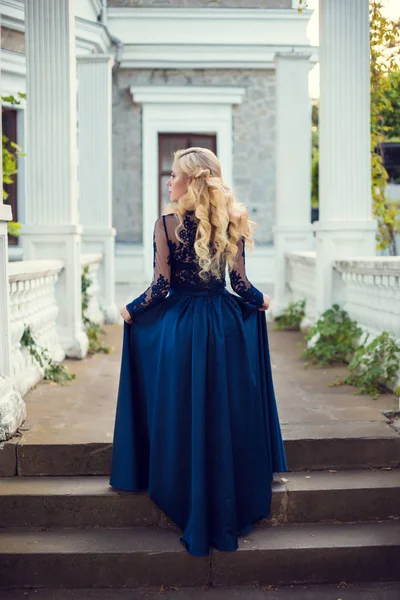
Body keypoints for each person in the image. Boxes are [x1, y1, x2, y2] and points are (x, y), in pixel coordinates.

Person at [109, 147, 288, 557]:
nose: (168, 182)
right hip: (222, 327)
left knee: (184, 409)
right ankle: (225, 490)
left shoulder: (167, 225)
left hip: (181, 327)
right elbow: (240, 286)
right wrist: (262, 301)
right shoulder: (232, 221)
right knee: (221, 409)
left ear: (190, 182)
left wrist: (130, 310)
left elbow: (160, 288)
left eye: (173, 175)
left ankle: (183, 485)